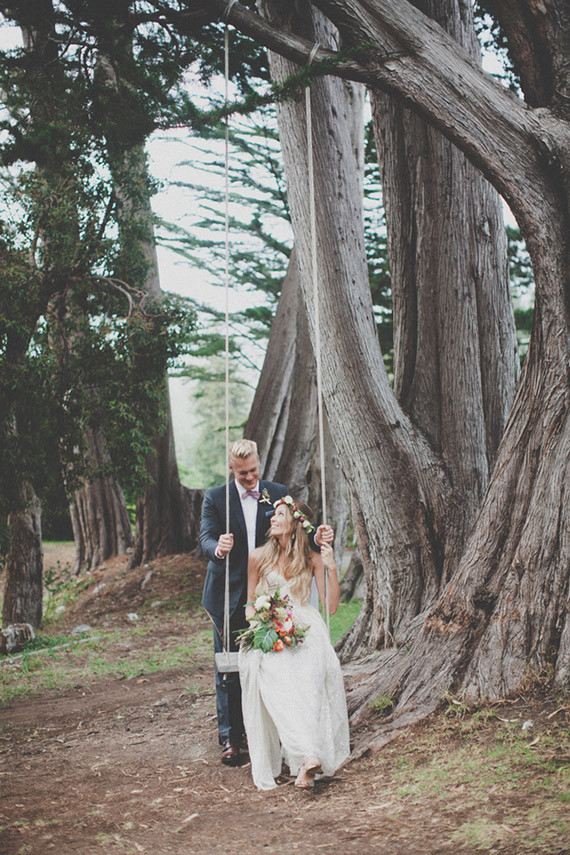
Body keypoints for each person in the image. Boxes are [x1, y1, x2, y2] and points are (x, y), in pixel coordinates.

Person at [199, 439, 333, 767]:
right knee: (230, 665)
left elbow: (298, 525)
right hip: (229, 592)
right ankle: (231, 737)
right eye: (243, 473)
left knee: (273, 665)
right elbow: (204, 538)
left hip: (270, 594)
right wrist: (219, 546)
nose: (250, 477)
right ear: (232, 469)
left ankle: (265, 733)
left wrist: (317, 538)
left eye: (254, 470)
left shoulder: (276, 491)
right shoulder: (216, 498)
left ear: (259, 462)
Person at [239, 497, 350, 790]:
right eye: (273, 514)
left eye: (280, 514)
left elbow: (331, 606)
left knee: (308, 672)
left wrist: (331, 568)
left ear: (296, 523)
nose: (272, 518)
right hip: (271, 627)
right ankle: (307, 755)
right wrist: (260, 624)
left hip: (305, 627)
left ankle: (306, 759)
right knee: (277, 675)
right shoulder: (257, 557)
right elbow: (249, 604)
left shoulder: (311, 558)